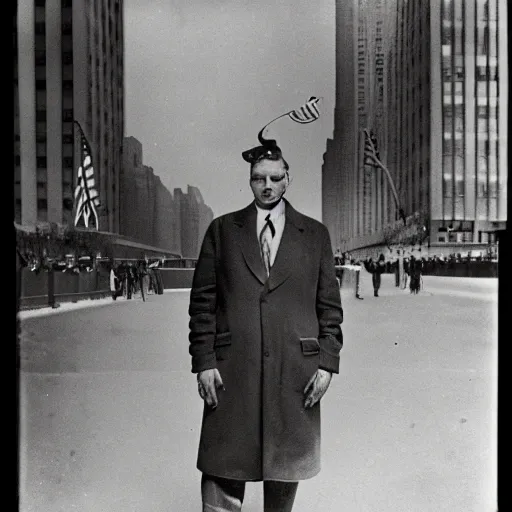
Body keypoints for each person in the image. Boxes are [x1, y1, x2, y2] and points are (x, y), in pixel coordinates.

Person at [188, 132, 344, 512]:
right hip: (232, 373)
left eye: (276, 178)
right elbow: (202, 304)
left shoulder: (315, 235)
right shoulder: (223, 231)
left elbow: (330, 309)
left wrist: (327, 364)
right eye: (260, 178)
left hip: (294, 375)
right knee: (223, 475)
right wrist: (204, 363)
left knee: (283, 476)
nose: (268, 186)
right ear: (250, 180)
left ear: (288, 179)